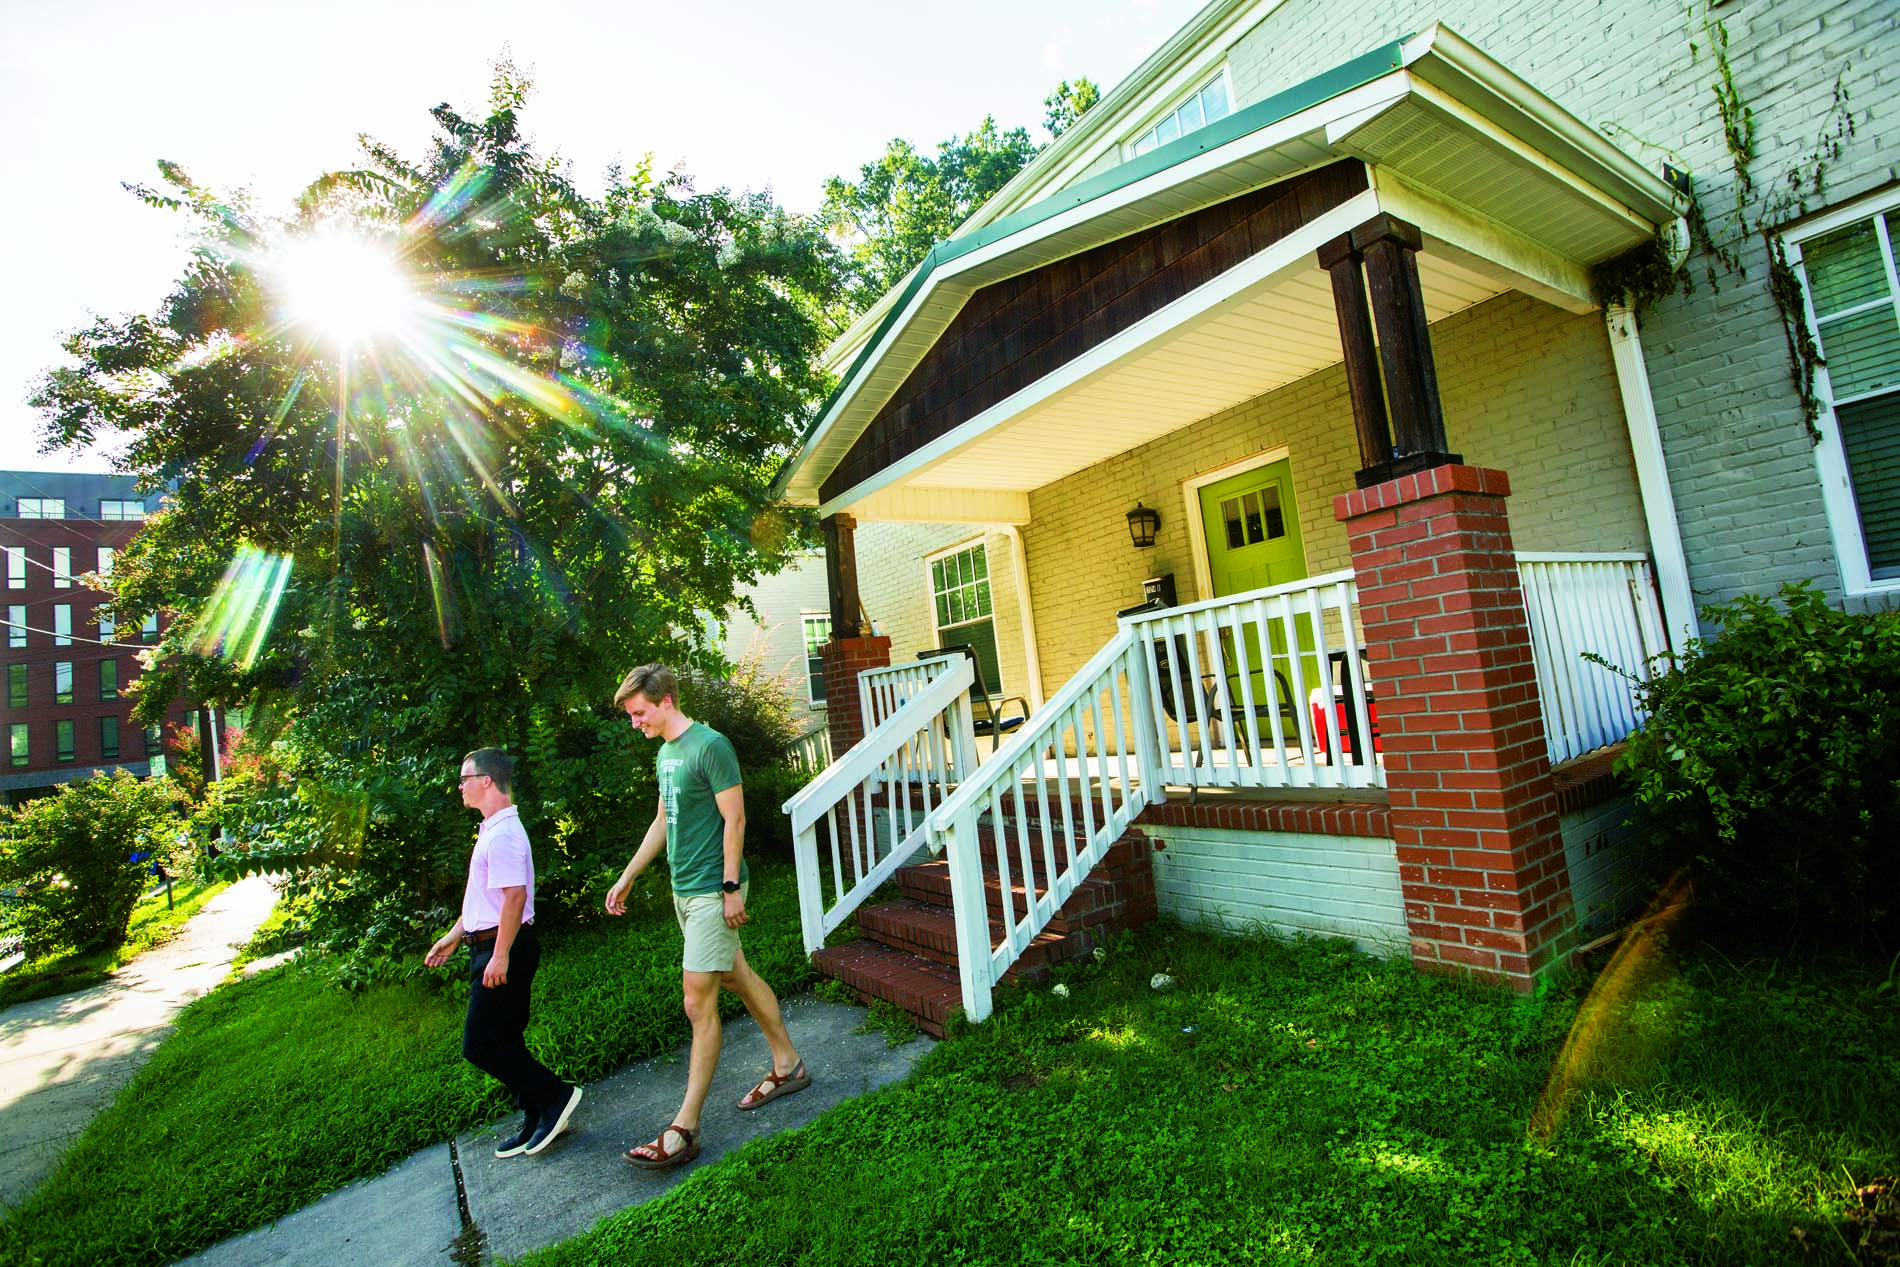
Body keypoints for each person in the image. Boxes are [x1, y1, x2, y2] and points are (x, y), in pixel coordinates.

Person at [607, 664, 809, 1170]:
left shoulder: (710, 747)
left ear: (666, 701)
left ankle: (685, 1127)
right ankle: (789, 1065)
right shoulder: (666, 754)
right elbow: (663, 821)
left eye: (639, 713)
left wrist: (730, 889)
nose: (635, 723)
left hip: (711, 893)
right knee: (736, 975)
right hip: (684, 891)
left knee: (698, 1004)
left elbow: (734, 819)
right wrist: (628, 875)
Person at [425, 748, 582, 1159]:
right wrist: (455, 935)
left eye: (465, 778)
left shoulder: (506, 833)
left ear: (487, 781)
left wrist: (499, 954)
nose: (460, 786)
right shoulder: (492, 829)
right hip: (490, 944)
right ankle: (536, 1114)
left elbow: (514, 898)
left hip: (503, 947)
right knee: (505, 1039)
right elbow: (487, 899)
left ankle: (556, 1096)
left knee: (479, 1045)